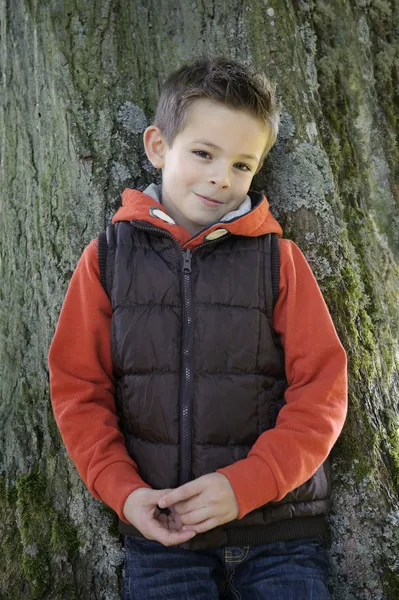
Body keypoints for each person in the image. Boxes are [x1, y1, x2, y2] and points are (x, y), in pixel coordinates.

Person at [48, 56, 347, 599]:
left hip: (277, 531)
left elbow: (323, 391)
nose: (221, 178)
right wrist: (123, 492)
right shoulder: (108, 260)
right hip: (164, 533)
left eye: (241, 165)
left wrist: (247, 485)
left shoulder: (278, 261)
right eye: (204, 154)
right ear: (159, 146)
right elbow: (78, 390)